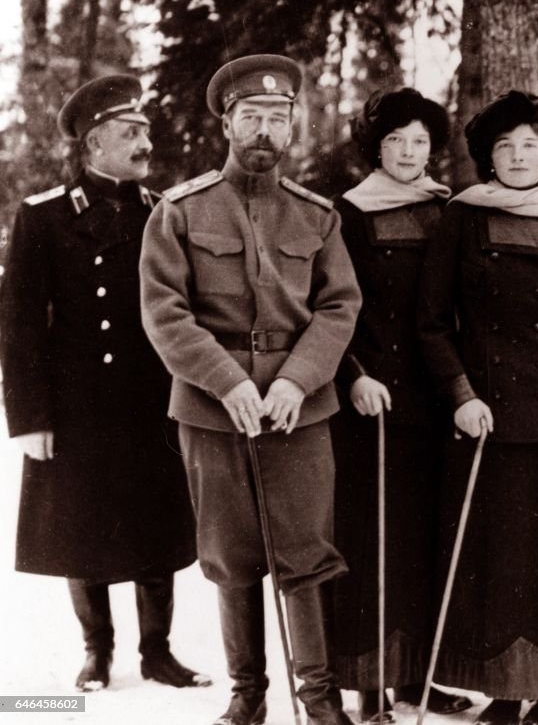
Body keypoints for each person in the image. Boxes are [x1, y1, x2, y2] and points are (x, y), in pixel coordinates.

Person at [139, 55, 362, 725]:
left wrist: (297, 379)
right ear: (228, 124)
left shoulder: (316, 217)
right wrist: (227, 382)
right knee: (231, 556)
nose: (264, 129)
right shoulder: (180, 211)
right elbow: (164, 311)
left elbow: (339, 307)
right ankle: (249, 694)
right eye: (251, 116)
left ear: (293, 128)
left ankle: (319, 700)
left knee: (306, 555)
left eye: (277, 117)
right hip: (213, 412)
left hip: (301, 411)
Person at [0, 75, 207, 693]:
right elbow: (19, 327)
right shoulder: (44, 217)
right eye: (131, 132)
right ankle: (97, 652)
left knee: (157, 526)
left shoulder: (163, 211)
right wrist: (30, 418)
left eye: (144, 130)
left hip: (151, 403)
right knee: (80, 527)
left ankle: (158, 653)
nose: (146, 142)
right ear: (94, 145)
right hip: (76, 406)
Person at [418, 90, 538, 725]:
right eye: (505, 146)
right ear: (487, 157)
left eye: (530, 145)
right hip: (482, 422)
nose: (519, 156)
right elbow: (433, 324)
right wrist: (462, 394)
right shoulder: (461, 219)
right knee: (495, 559)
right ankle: (500, 688)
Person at [328, 87, 471, 721]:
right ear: (375, 147)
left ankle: (418, 678)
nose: (410, 153)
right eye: (395, 141)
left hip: (436, 395)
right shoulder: (350, 212)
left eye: (419, 141)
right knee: (374, 537)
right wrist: (353, 374)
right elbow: (334, 306)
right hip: (373, 398)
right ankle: (369, 685)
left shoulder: (449, 209)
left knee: (425, 537)